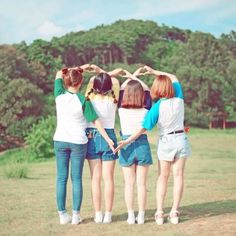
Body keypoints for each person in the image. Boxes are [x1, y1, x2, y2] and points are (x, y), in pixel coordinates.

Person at [115, 65, 191, 225]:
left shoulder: (155, 108)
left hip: (165, 142)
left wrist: (131, 75)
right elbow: (173, 76)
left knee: (162, 177)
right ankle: (174, 212)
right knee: (178, 176)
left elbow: (143, 127)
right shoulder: (179, 99)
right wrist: (153, 72)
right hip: (180, 139)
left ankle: (159, 213)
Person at [53, 65, 115, 225]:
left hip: (60, 140)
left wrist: (79, 68)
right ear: (80, 83)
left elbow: (59, 72)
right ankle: (75, 216)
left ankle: (62, 215)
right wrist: (108, 139)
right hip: (78, 142)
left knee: (61, 178)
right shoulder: (83, 100)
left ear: (66, 81)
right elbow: (95, 121)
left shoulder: (59, 94)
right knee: (76, 178)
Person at [85, 65, 125, 223]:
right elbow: (112, 78)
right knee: (108, 178)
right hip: (109, 134)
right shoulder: (114, 94)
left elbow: (94, 79)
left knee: (95, 179)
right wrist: (104, 73)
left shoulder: (89, 95)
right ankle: (108, 214)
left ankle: (98, 213)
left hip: (91, 135)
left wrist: (97, 71)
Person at [117, 72, 153, 225]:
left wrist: (130, 75)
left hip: (126, 145)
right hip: (142, 144)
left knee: (129, 184)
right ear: (140, 95)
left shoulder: (120, 108)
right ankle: (142, 215)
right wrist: (137, 77)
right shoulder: (146, 108)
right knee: (142, 184)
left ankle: (131, 216)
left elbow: (122, 88)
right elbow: (148, 90)